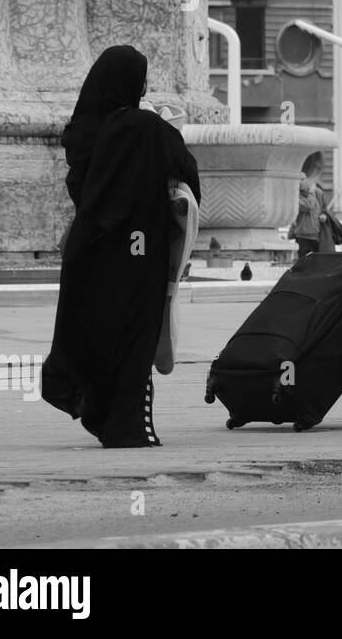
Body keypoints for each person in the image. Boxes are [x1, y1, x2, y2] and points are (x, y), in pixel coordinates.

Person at [41, 45, 201, 448]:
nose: (145, 87)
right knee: (134, 333)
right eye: (142, 79)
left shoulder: (81, 129)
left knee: (97, 329)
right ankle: (128, 425)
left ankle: (96, 407)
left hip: (90, 248)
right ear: (130, 82)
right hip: (137, 249)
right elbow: (186, 167)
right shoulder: (142, 127)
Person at [290, 154, 335, 257]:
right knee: (304, 262)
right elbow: (308, 206)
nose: (302, 183)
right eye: (299, 181)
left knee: (317, 262)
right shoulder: (296, 196)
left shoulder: (318, 192)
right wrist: (311, 191)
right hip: (302, 236)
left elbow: (324, 208)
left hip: (317, 235)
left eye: (303, 180)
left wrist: (324, 215)